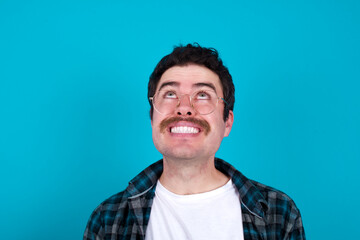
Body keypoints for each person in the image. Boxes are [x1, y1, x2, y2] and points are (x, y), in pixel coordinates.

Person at [83, 43, 306, 240]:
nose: (184, 108)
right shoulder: (107, 219)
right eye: (170, 94)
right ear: (152, 118)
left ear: (227, 122)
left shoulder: (278, 213)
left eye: (202, 95)